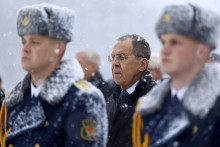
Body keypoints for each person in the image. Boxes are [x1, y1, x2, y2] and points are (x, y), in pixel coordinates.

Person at [0, 3, 107, 147]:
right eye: (23, 41)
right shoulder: (13, 99)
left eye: (34, 42)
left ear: (58, 48)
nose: (25, 49)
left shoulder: (82, 99)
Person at [132, 3, 220, 147]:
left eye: (175, 42)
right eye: (163, 42)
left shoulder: (214, 106)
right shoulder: (150, 106)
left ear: (201, 51)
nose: (165, 51)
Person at [106, 34, 156, 147]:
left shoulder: (155, 101)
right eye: (112, 57)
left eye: (122, 57)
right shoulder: (112, 99)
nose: (115, 63)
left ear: (142, 64)